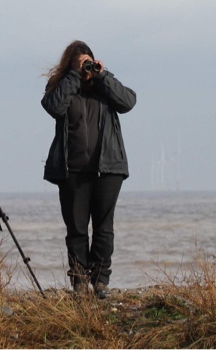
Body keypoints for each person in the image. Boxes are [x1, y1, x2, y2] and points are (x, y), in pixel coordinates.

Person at [41, 40, 136, 299]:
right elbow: (54, 107)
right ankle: (80, 281)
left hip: (109, 168)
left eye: (88, 62)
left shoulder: (104, 85)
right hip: (72, 171)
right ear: (70, 65)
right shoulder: (61, 86)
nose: (86, 67)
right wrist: (74, 76)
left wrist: (102, 76)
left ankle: (101, 280)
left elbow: (128, 102)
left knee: (104, 228)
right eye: (80, 63)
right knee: (77, 229)